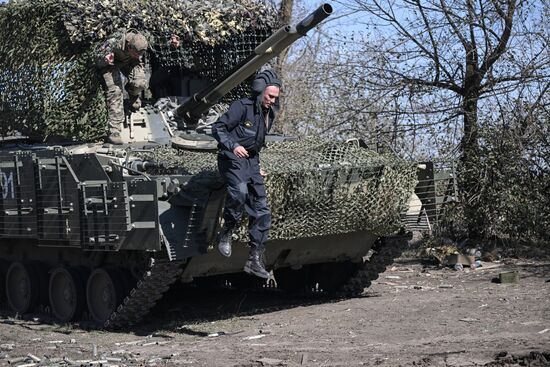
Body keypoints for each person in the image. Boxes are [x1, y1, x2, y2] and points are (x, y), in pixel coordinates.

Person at [211, 69, 281, 279]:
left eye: (275, 97)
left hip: (250, 161)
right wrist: (233, 146)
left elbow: (257, 145)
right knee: (240, 193)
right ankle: (226, 231)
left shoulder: (268, 114)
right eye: (270, 96)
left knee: (262, 210)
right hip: (232, 159)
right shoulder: (242, 107)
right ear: (260, 91)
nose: (272, 101)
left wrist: (255, 166)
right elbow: (218, 128)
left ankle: (255, 259)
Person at [96, 30, 149, 145]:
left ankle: (133, 96)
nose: (138, 56)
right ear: (129, 46)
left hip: (127, 61)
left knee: (140, 82)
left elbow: (136, 55)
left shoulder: (139, 43)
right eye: (136, 53)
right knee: (115, 91)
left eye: (140, 54)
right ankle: (114, 130)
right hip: (110, 64)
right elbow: (96, 58)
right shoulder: (113, 41)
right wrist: (105, 59)